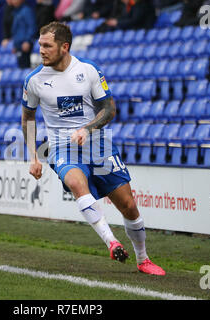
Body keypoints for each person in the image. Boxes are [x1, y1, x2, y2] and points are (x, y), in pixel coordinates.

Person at [21, 21, 165, 275]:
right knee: (78, 185)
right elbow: (28, 118)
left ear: (64, 47)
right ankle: (112, 243)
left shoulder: (88, 71)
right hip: (61, 147)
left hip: (98, 145)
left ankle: (143, 259)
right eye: (40, 45)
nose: (41, 51)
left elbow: (109, 109)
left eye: (47, 46)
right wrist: (33, 156)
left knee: (128, 205)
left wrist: (86, 130)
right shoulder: (33, 80)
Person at [11, 0, 36, 69]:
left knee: (26, 68)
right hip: (19, 46)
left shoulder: (26, 11)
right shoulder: (15, 12)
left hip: (25, 45)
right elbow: (15, 30)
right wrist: (15, 45)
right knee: (21, 67)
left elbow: (31, 26)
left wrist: (27, 41)